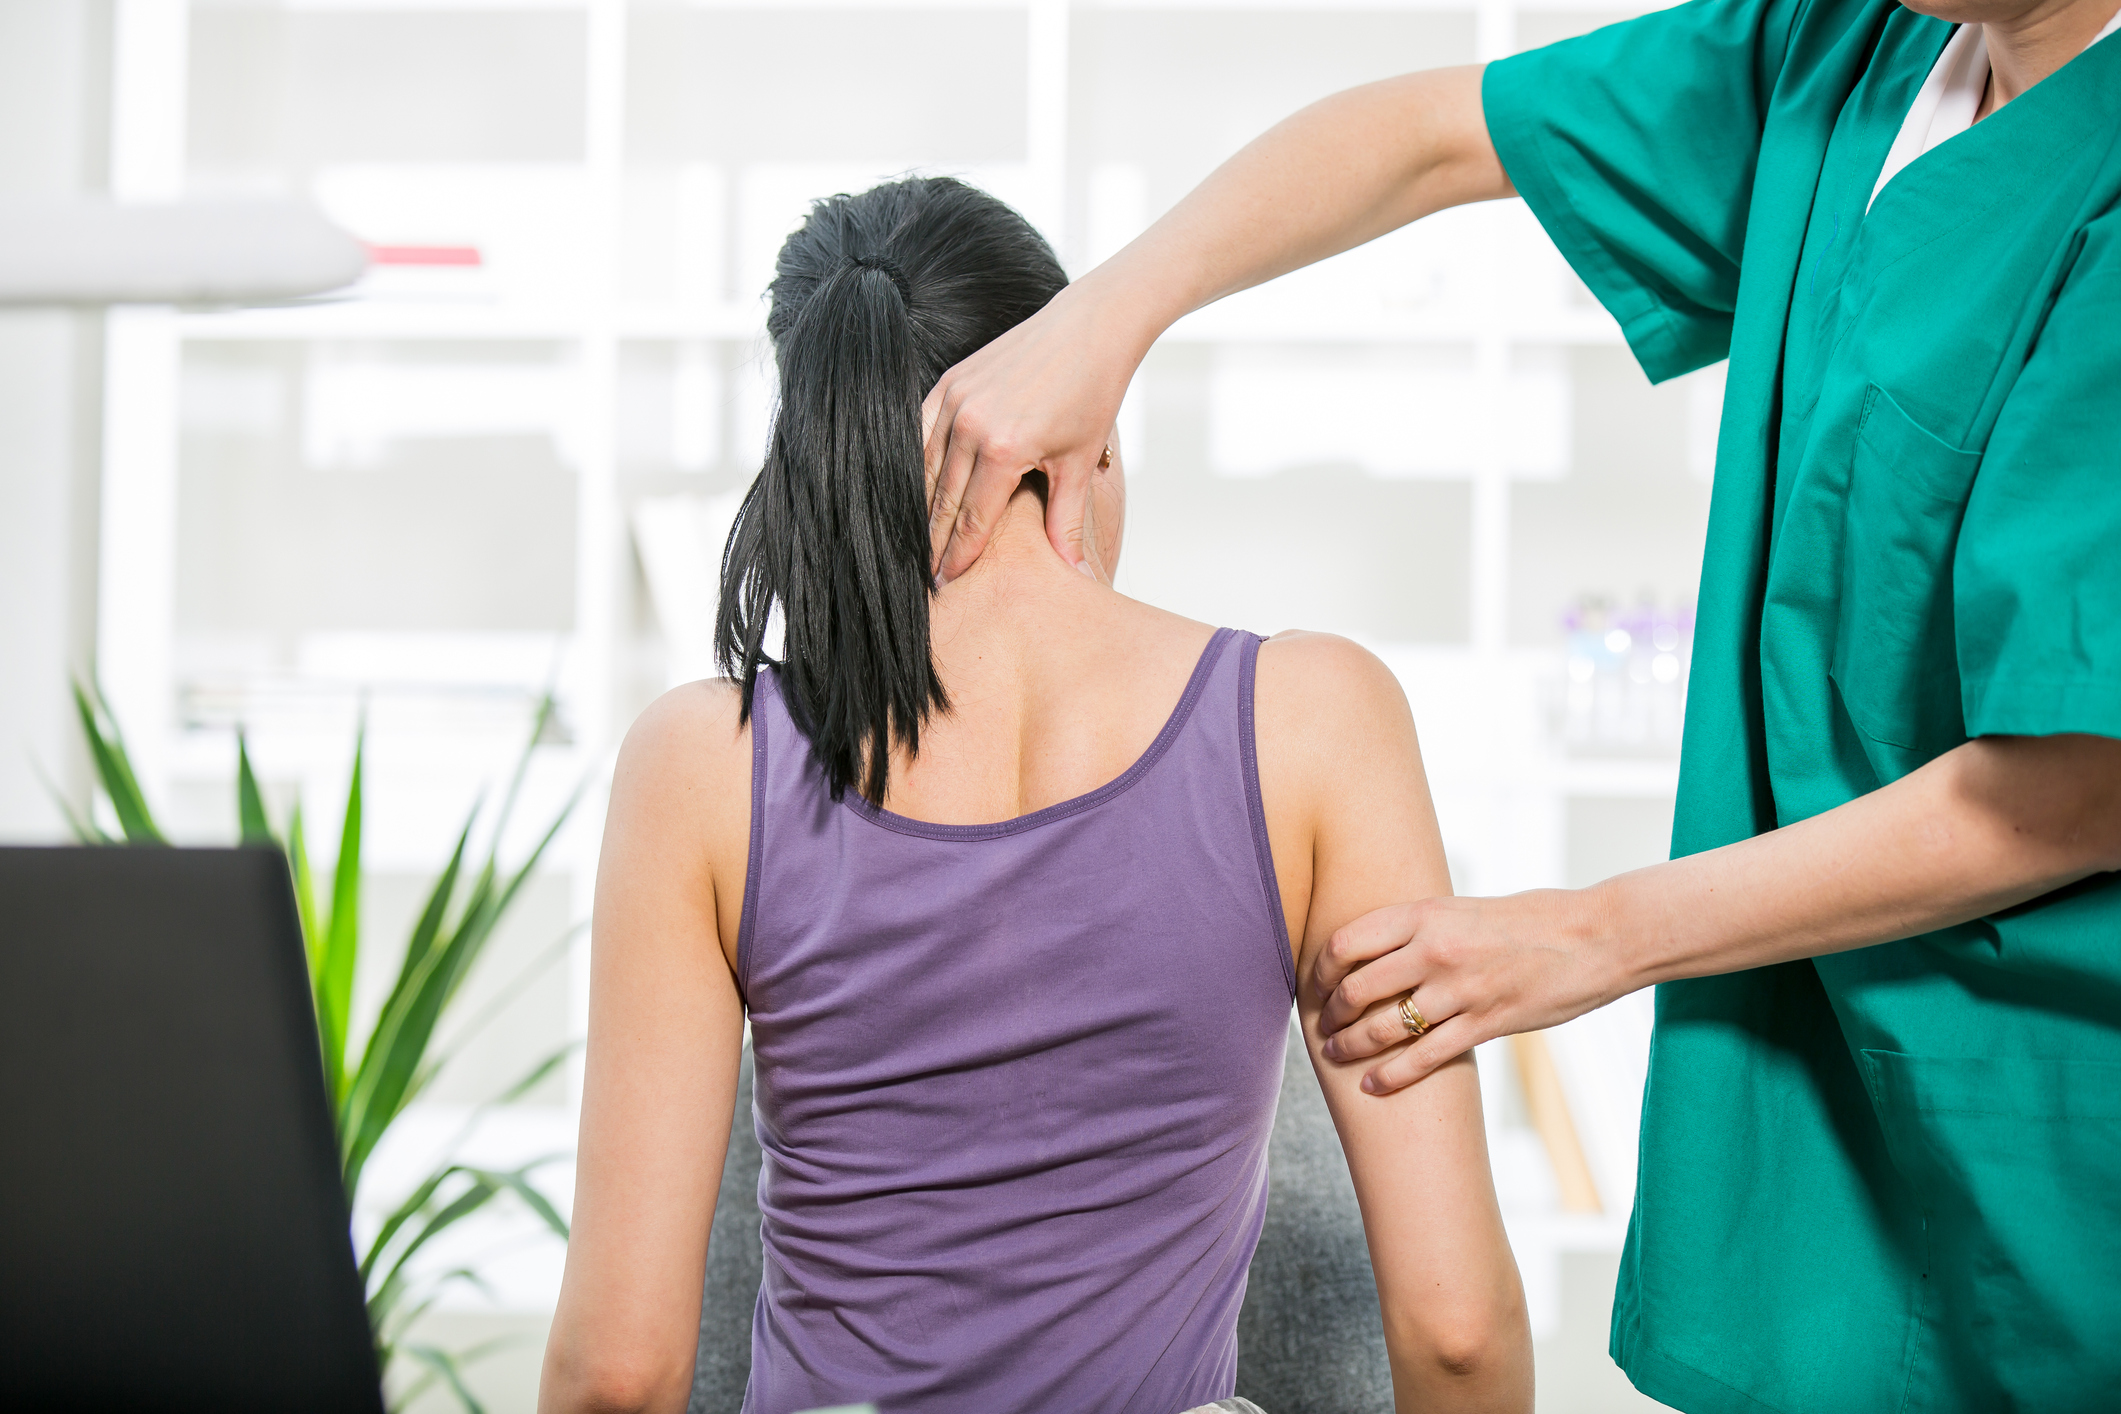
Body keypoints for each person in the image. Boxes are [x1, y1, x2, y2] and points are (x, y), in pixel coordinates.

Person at [915, 2, 2121, 1410]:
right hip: (1816, 1125)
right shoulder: (1847, 51)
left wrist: (1589, 934)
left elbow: (2076, 781)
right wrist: (1103, 317)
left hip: (2044, 1131)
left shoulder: (711, 762)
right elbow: (1430, 137)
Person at [536, 177, 1532, 1414]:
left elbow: (621, 1376)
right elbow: (1454, 1330)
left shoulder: (700, 761)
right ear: (1092, 420)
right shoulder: (1316, 719)